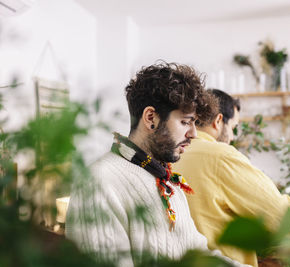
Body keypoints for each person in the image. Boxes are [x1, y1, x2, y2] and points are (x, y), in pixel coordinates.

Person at [65, 63, 250, 267]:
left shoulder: (167, 182)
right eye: (185, 122)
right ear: (151, 118)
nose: (194, 134)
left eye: (195, 123)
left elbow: (197, 255)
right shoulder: (97, 182)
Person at [172, 89, 290, 267]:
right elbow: (288, 225)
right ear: (218, 121)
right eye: (234, 127)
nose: (233, 136)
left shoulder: (170, 155)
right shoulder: (220, 156)